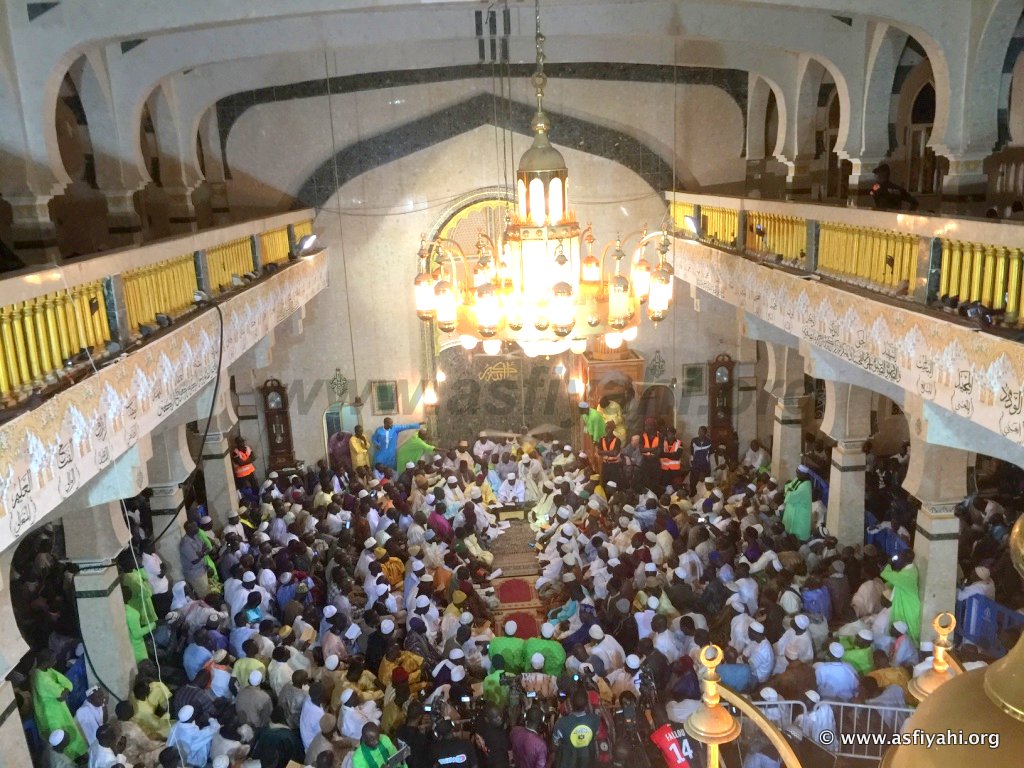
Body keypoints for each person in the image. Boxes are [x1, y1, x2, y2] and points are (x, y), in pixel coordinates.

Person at [31, 651, 88, 761]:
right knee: (61, 739)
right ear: (46, 661)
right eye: (53, 659)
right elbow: (61, 694)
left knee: (69, 732)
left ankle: (78, 755)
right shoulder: (41, 678)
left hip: (58, 709)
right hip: (51, 714)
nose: (55, 660)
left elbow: (68, 684)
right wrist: (65, 690)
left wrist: (65, 690)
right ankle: (73, 759)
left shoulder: (47, 670)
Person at [551, 687, 600, 768]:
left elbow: (555, 744)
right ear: (586, 703)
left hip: (567, 761)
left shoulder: (561, 723)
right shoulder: (595, 720)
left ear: (571, 703)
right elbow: (595, 736)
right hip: (587, 759)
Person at [881, 550, 921, 643]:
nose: (898, 559)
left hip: (908, 606)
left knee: (910, 630)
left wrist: (889, 563)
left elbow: (884, 573)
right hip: (909, 602)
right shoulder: (911, 569)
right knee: (903, 628)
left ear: (903, 559)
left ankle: (912, 647)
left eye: (899, 557)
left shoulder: (905, 575)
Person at [782, 465, 813, 541]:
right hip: (793, 508)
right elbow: (788, 486)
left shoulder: (805, 487)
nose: (796, 475)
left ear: (804, 474)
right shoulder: (798, 479)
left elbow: (790, 497)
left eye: (798, 473)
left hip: (800, 513)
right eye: (797, 472)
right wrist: (789, 491)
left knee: (797, 535)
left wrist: (788, 492)